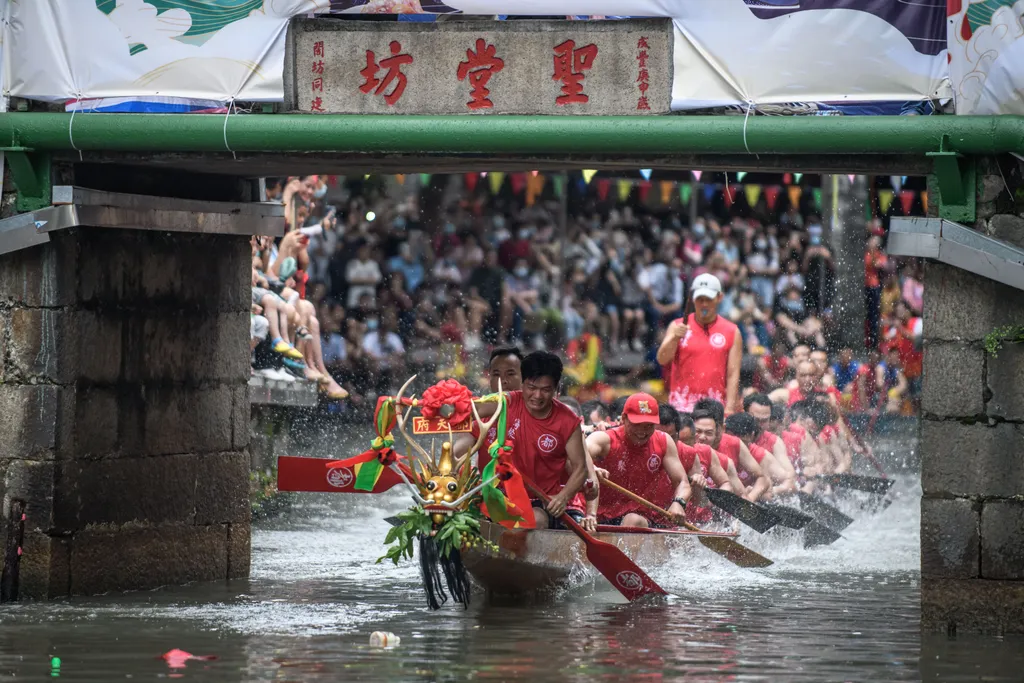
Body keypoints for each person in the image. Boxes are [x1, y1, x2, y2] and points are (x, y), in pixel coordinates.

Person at [471, 351, 596, 531]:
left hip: (542, 501)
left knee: (536, 518)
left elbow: (580, 468)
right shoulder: (506, 401)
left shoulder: (568, 421)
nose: (537, 396)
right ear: (522, 383)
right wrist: (439, 403)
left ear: (555, 389)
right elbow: (467, 410)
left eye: (545, 390)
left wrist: (563, 497)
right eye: (531, 387)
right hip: (502, 495)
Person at [587, 394, 691, 527]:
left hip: (640, 519)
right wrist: (591, 468)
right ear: (624, 418)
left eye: (648, 425)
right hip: (599, 517)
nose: (642, 431)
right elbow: (580, 455)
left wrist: (679, 503)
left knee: (633, 520)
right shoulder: (605, 440)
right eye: (637, 424)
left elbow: (682, 482)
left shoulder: (664, 441)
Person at [657, 273, 743, 415]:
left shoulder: (732, 331)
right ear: (692, 299)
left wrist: (729, 408)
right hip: (681, 406)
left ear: (719, 298)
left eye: (708, 299)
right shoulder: (677, 326)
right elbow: (662, 359)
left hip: (715, 407)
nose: (704, 304)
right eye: (700, 299)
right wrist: (674, 338)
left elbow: (733, 373)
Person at [692, 399, 769, 502]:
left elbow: (763, 479)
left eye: (709, 431)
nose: (702, 437)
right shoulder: (684, 446)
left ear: (721, 427)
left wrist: (750, 500)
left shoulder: (733, 444)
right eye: (698, 430)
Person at [724, 413, 796, 496]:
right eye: (731, 442)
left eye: (742, 443)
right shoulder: (716, 448)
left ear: (752, 436)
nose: (737, 448)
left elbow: (790, 483)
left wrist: (770, 491)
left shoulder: (761, 456)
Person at [743, 393, 798, 494]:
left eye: (764, 420)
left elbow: (791, 481)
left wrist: (771, 491)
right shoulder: (731, 434)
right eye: (755, 419)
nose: (759, 425)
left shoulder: (775, 442)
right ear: (744, 414)